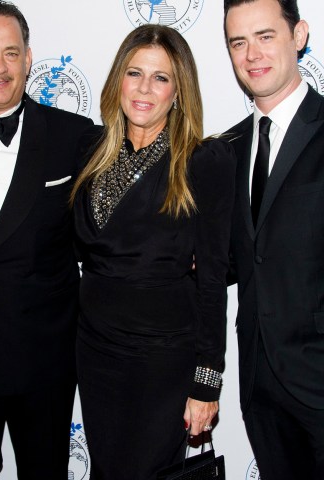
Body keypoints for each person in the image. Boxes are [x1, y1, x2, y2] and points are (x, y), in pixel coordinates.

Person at [71, 24, 236, 480]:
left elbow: (212, 281)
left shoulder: (204, 162)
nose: (145, 88)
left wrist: (207, 381)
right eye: (134, 73)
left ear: (178, 89)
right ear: (117, 81)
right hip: (95, 351)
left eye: (161, 77)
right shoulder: (90, 153)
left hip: (163, 358)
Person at [0, 1, 93, 479]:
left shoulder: (74, 136)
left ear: (29, 59)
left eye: (10, 53)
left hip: (44, 362)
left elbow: (135, 185)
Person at [224, 0, 324, 478]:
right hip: (260, 387)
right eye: (238, 42)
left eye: (265, 36)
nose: (252, 54)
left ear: (299, 35)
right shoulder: (228, 148)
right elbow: (231, 259)